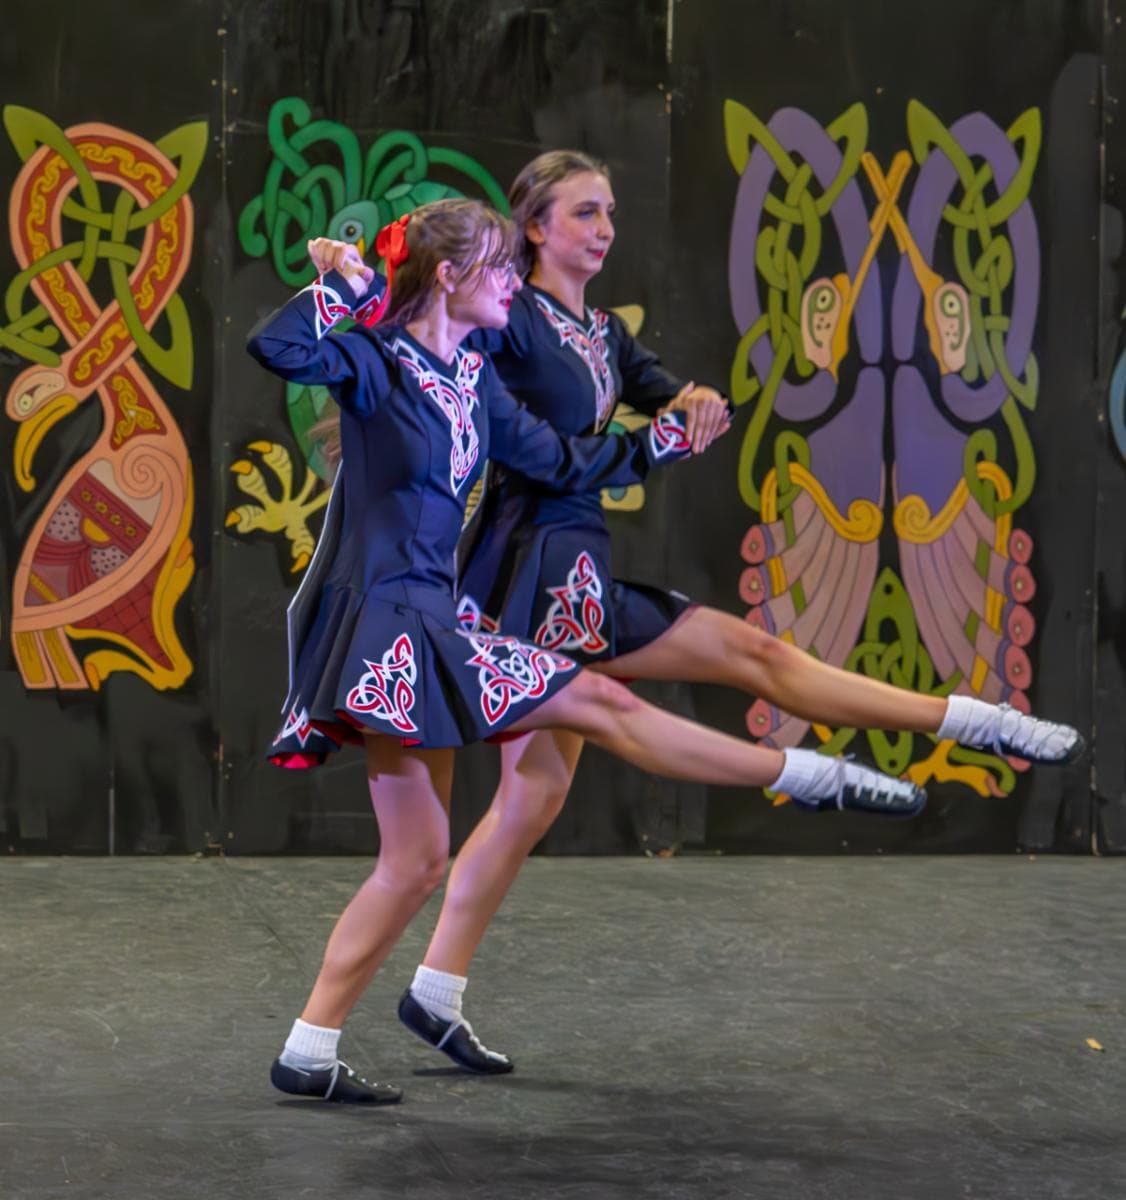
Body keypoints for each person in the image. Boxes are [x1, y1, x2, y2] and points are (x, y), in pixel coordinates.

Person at [391, 152, 1084, 1078]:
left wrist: (693, 403)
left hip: (574, 562)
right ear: (536, 228)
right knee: (737, 663)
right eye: (585, 212)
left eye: (611, 211)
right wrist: (663, 441)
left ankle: (435, 990)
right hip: (529, 574)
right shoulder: (507, 321)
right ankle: (927, 736)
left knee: (538, 791)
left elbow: (661, 390)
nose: (604, 228)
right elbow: (554, 457)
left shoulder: (595, 330)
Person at [247, 198, 929, 1103]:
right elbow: (280, 349)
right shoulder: (376, 363)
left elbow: (566, 462)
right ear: (448, 276)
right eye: (496, 268)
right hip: (389, 628)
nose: (510, 285)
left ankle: (307, 1049)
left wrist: (665, 438)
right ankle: (802, 776)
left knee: (413, 862)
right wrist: (343, 284)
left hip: (430, 626)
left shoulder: (470, 377)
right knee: (599, 703)